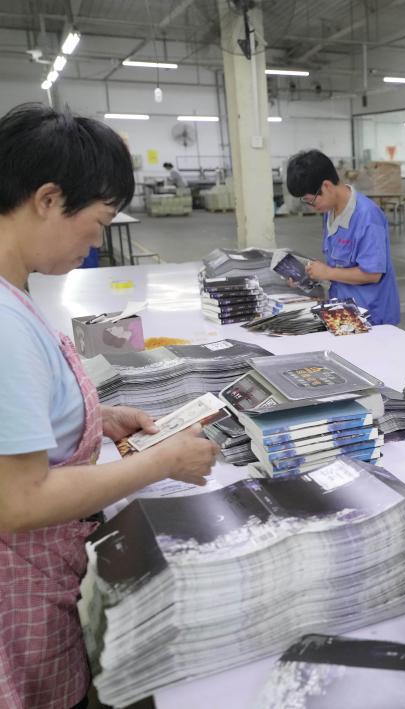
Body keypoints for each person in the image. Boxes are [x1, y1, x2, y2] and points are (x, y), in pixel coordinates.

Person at [0, 103, 218, 709]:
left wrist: (93, 421)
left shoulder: (14, 290)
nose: (98, 241)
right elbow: (19, 500)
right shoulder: (4, 323)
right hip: (18, 590)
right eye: (97, 222)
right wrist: (162, 462)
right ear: (48, 200)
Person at [285, 149, 401, 325]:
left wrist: (327, 272)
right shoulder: (330, 211)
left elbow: (373, 274)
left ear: (326, 186)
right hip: (343, 314)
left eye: (311, 200)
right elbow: (339, 267)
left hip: (371, 317)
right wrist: (310, 275)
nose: (310, 207)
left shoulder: (367, 216)